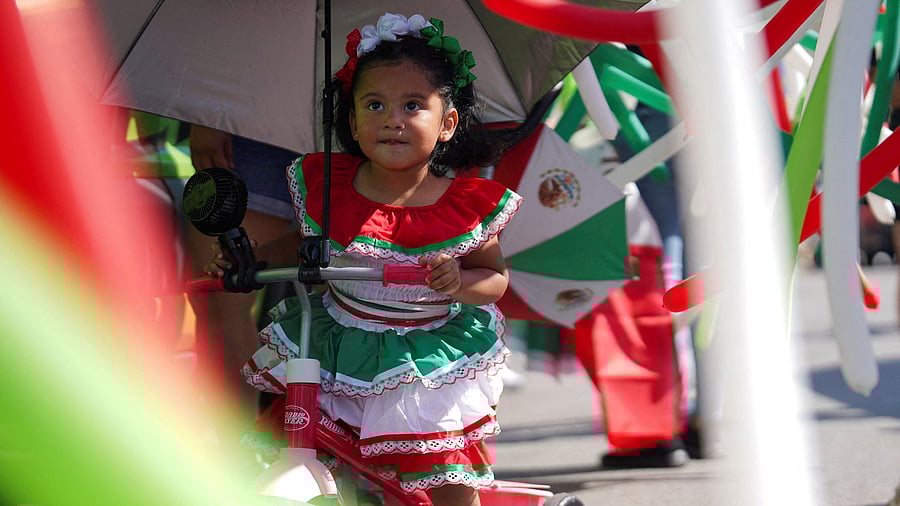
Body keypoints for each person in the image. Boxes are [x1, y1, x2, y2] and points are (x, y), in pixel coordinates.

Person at [207, 13, 520, 506]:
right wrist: (250, 262)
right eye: (375, 105)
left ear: (448, 123)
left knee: (443, 478)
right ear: (353, 121)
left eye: (412, 105)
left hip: (426, 361)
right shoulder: (330, 189)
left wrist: (459, 281)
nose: (392, 119)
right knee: (320, 448)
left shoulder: (462, 203)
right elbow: (305, 242)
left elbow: (495, 279)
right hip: (338, 345)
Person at [184, 124, 299, 440]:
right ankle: (237, 445)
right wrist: (207, 115)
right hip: (249, 127)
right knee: (220, 294)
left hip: (349, 121)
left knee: (350, 306)